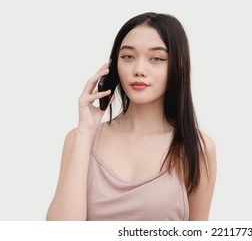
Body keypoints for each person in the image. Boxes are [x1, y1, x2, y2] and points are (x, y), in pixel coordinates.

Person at [46, 12, 216, 221]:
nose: (138, 69)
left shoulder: (197, 148)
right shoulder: (79, 138)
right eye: (128, 57)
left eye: (156, 59)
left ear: (177, 66)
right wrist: (85, 131)